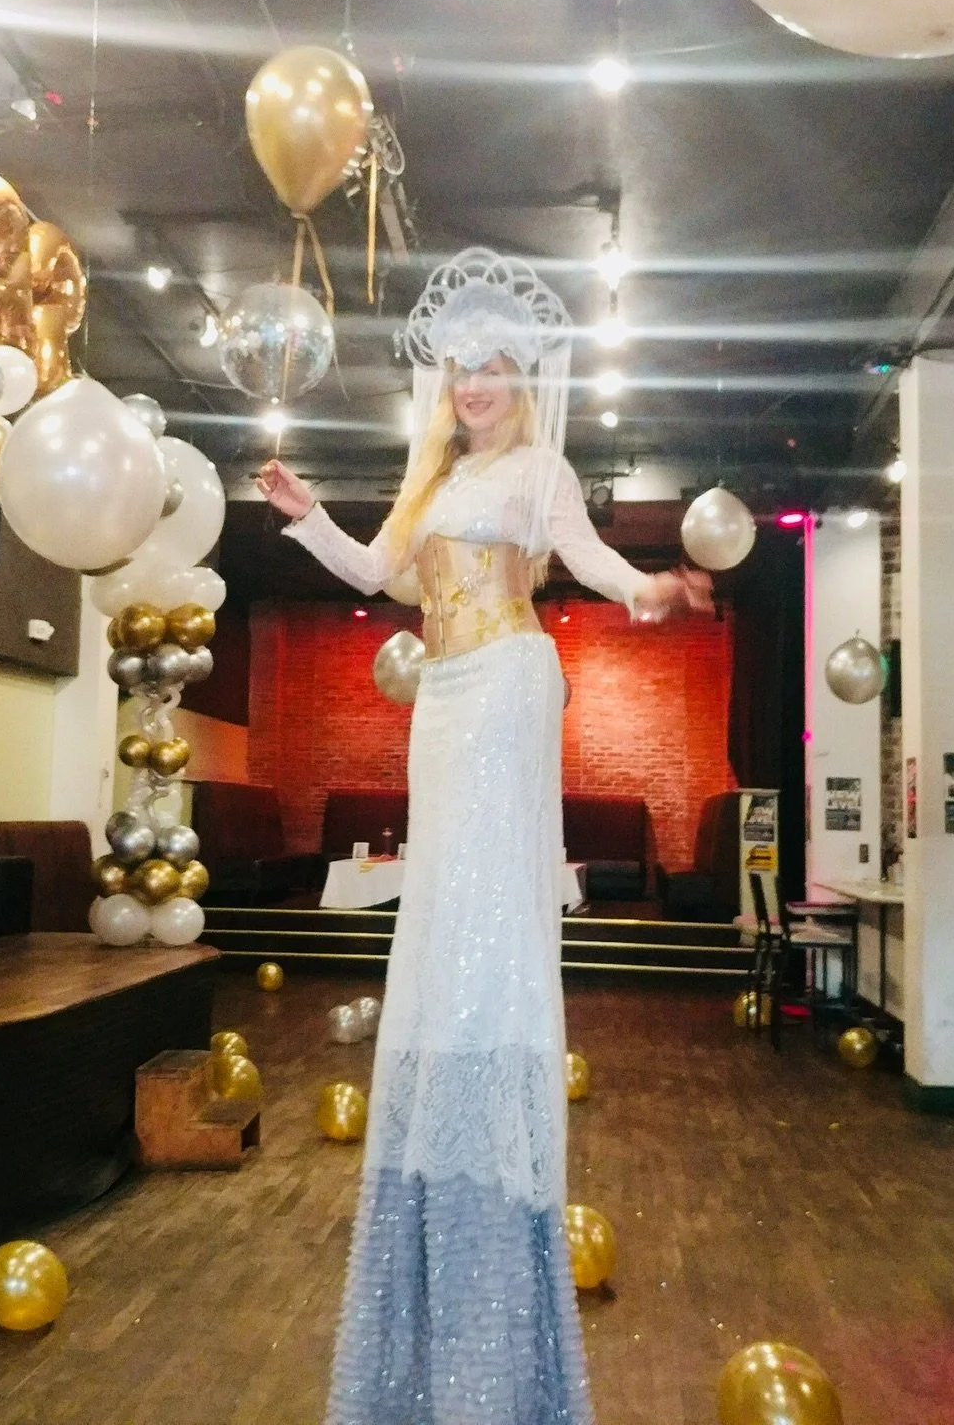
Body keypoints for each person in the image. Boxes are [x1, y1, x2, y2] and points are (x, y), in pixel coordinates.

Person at [257, 248, 709, 1424]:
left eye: (494, 367)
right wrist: (308, 519)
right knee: (440, 892)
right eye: (460, 369)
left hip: (507, 678)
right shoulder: (422, 482)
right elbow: (375, 571)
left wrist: (651, 592)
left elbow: (599, 562)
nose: (475, 384)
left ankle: (485, 1049)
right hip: (442, 697)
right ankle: (449, 1045)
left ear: (521, 377)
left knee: (481, 891)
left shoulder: (539, 469)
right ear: (442, 382)